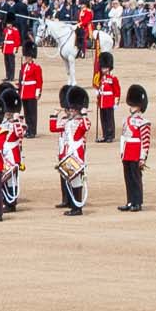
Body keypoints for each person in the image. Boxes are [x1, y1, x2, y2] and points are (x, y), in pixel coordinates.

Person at [51, 84, 88, 215]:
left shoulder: (80, 122)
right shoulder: (68, 121)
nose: (70, 111)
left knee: (76, 181)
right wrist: (54, 115)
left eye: (73, 109)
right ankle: (73, 205)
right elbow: (54, 128)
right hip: (67, 154)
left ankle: (77, 207)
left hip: (76, 155)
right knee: (70, 181)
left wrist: (83, 115)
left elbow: (86, 126)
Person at [118, 83, 151, 212]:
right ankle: (130, 201)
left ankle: (137, 202)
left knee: (136, 179)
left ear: (140, 106)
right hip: (127, 152)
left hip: (136, 153)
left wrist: (143, 157)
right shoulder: (126, 120)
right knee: (128, 178)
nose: (132, 107)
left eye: (134, 105)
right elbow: (123, 138)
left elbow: (145, 141)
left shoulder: (143, 122)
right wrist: (122, 153)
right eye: (131, 105)